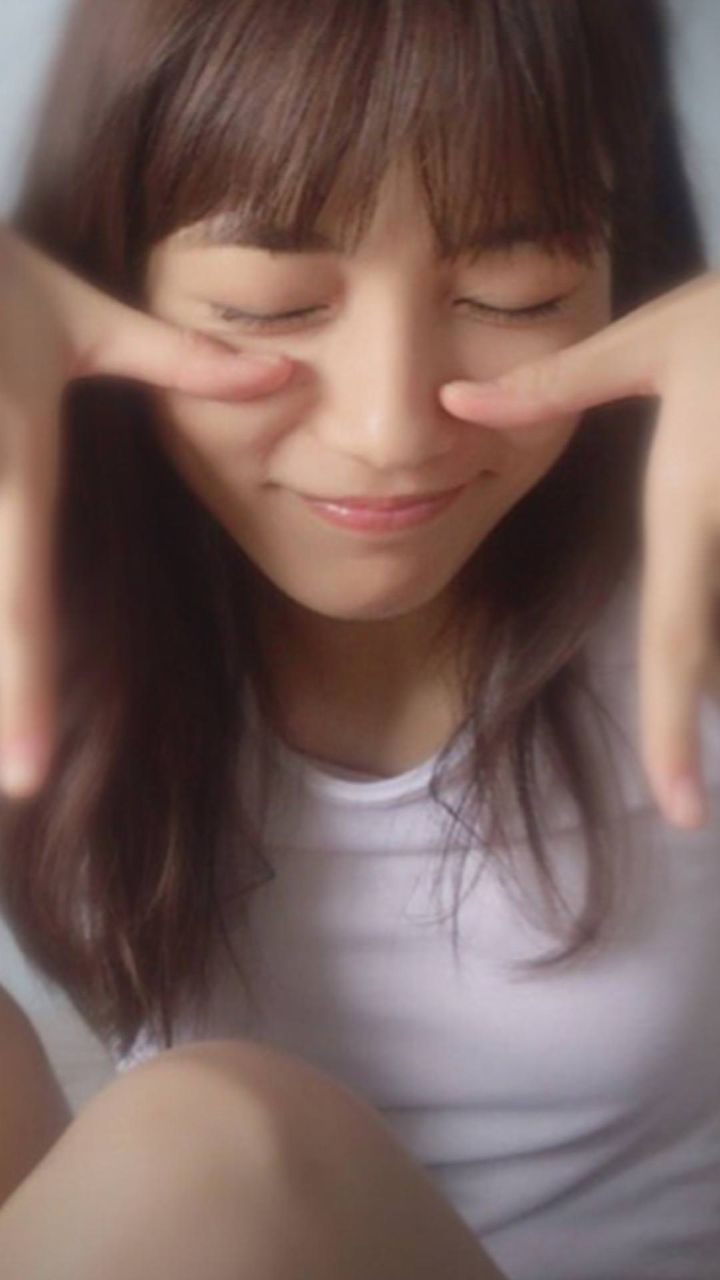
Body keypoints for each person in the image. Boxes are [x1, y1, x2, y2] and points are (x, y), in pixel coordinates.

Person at [0, 1, 719, 1276]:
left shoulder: (686, 569)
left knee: (195, 1156)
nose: (390, 429)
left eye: (513, 294)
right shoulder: (55, 578)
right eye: (270, 306)